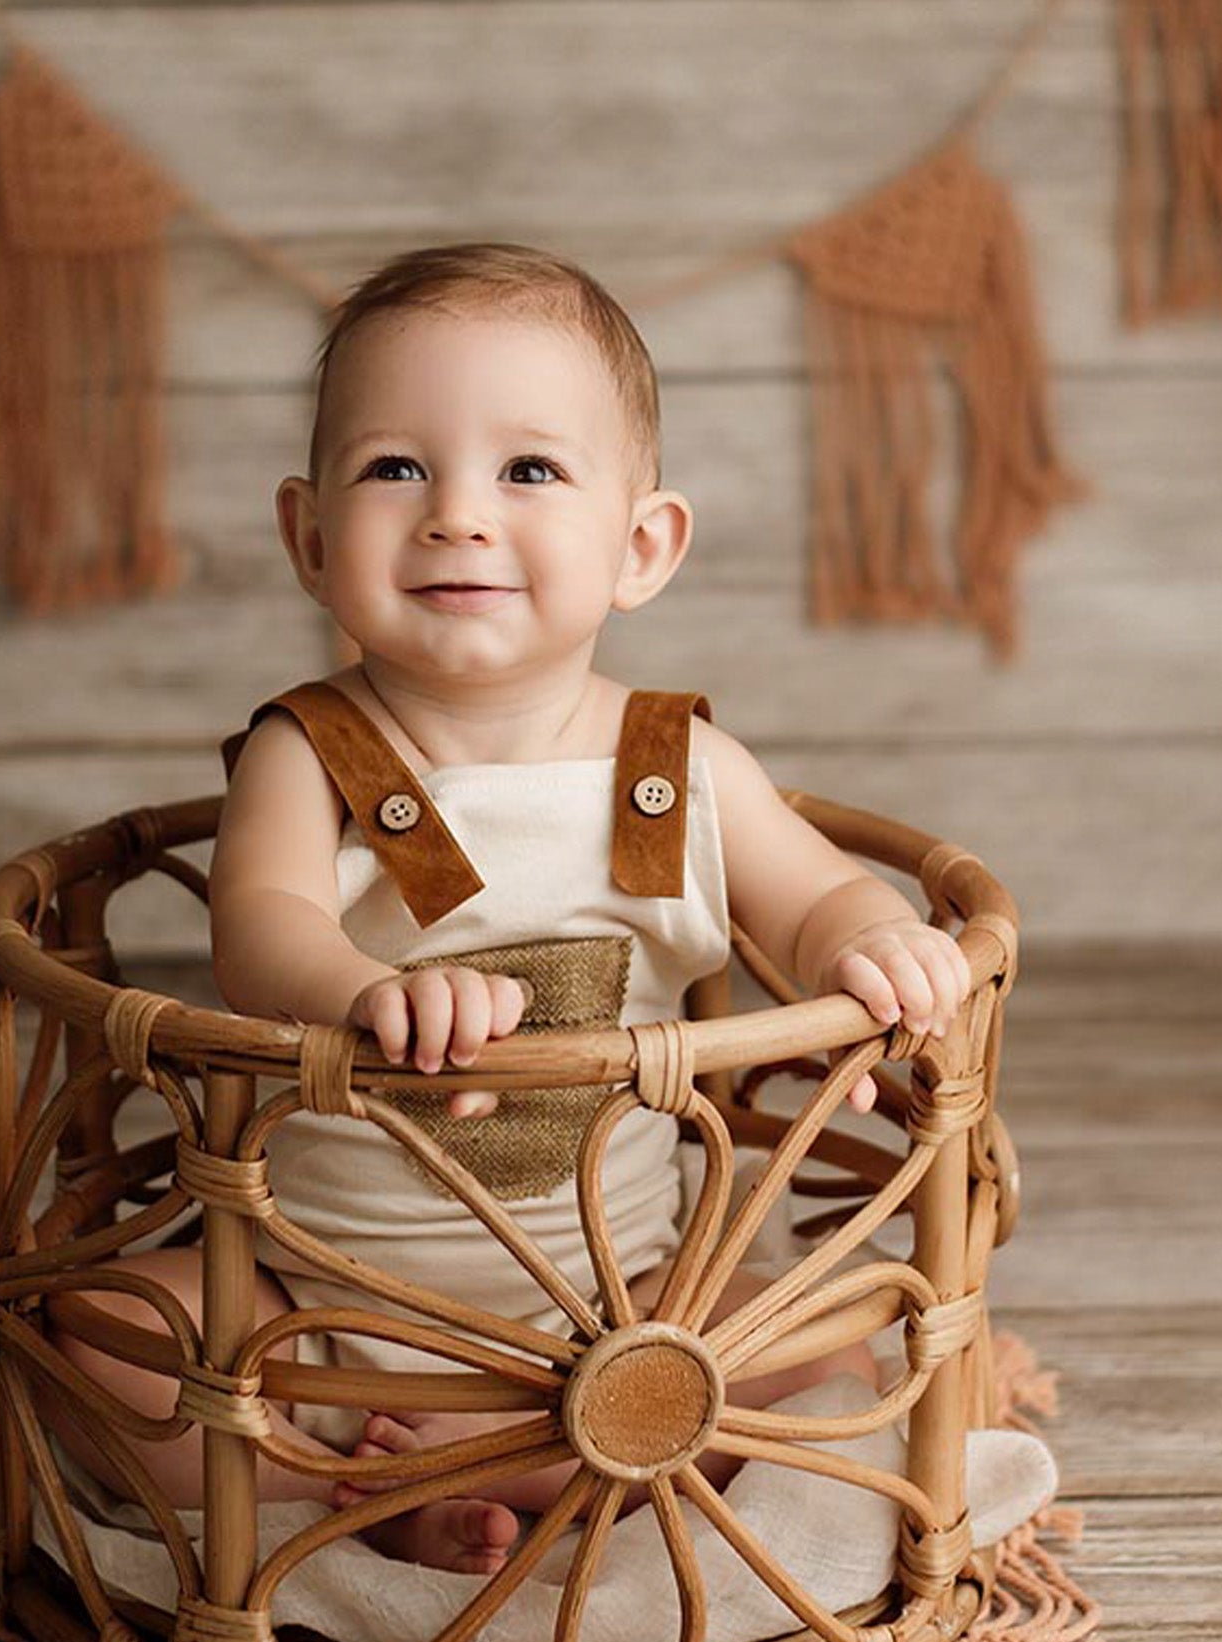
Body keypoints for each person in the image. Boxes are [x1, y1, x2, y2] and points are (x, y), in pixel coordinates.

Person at [55, 244, 974, 1574]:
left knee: (823, 1325)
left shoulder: (678, 768)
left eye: (529, 471)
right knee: (104, 1322)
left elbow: (811, 894)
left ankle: (459, 1470)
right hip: (316, 1313)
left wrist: (867, 940)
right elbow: (256, 932)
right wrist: (363, 993)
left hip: (622, 1314)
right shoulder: (309, 752)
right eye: (395, 469)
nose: (456, 516)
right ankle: (363, 1471)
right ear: (311, 539)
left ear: (642, 546)